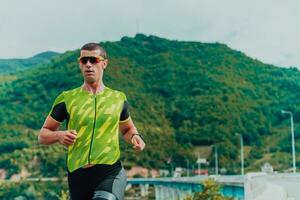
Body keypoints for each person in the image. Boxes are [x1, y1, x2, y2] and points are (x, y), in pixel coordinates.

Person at [38, 42, 145, 200]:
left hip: (110, 171)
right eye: (84, 60)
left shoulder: (118, 99)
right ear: (80, 64)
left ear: (104, 63)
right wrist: (59, 135)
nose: (88, 64)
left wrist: (136, 137)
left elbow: (128, 129)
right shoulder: (66, 99)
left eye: (93, 60)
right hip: (78, 175)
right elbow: (43, 135)